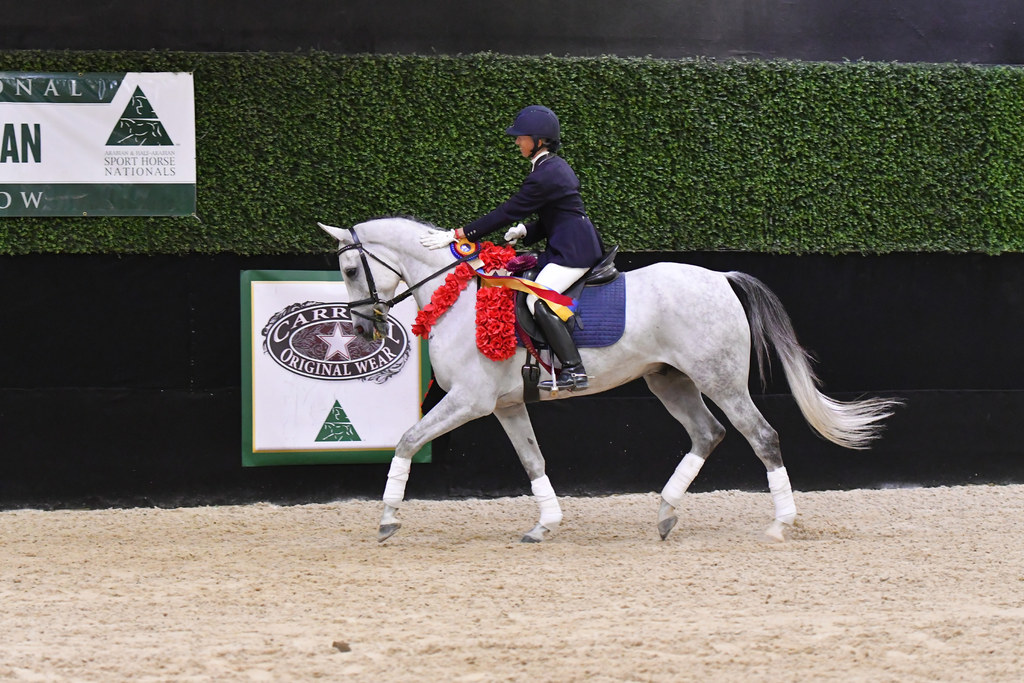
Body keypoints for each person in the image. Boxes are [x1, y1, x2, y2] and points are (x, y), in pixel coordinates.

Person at [420, 105, 603, 391]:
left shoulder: (545, 174)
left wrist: (459, 233)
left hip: (574, 251)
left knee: (538, 301)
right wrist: (526, 230)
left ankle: (573, 369)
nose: (517, 141)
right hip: (568, 241)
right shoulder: (550, 167)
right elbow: (557, 214)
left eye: (522, 137)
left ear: (539, 141)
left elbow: (507, 211)